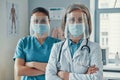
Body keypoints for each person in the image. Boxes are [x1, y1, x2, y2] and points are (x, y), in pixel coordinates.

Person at [46, 4, 103, 80]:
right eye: (72, 20)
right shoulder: (57, 47)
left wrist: (66, 76)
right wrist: (85, 75)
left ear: (86, 23)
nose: (76, 23)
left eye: (80, 20)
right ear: (66, 23)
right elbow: (49, 77)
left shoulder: (94, 48)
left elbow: (97, 78)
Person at [13, 7, 60, 80]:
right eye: (36, 21)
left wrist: (32, 64)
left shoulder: (57, 43)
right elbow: (19, 71)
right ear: (31, 23)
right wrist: (49, 70)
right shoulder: (24, 42)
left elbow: (61, 70)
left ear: (49, 22)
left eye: (43, 21)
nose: (39, 24)